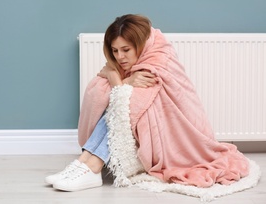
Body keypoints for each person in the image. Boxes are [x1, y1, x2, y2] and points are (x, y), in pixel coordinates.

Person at [44, 14, 250, 193]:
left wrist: (116, 79)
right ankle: (84, 163)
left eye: (126, 49)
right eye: (115, 51)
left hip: (174, 137)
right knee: (115, 107)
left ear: (140, 45)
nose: (120, 57)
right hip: (137, 128)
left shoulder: (157, 62)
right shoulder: (130, 64)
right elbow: (99, 94)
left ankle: (92, 166)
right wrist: (124, 81)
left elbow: (128, 107)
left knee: (118, 109)